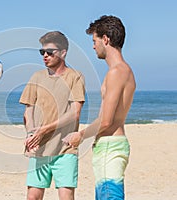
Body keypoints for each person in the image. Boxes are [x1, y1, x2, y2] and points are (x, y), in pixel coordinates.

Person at [63, 15, 136, 199]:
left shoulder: (116, 72)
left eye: (95, 40)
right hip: (114, 145)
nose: (93, 46)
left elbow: (106, 121)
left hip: (110, 147)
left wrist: (80, 135)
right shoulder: (126, 71)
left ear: (106, 39)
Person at [20, 31, 85, 200]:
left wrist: (45, 129)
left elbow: (75, 113)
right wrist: (31, 134)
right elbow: (29, 110)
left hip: (65, 149)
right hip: (40, 149)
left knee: (66, 197)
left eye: (50, 52)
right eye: (42, 52)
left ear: (63, 53)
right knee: (32, 196)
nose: (45, 56)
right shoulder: (36, 77)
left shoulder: (75, 76)